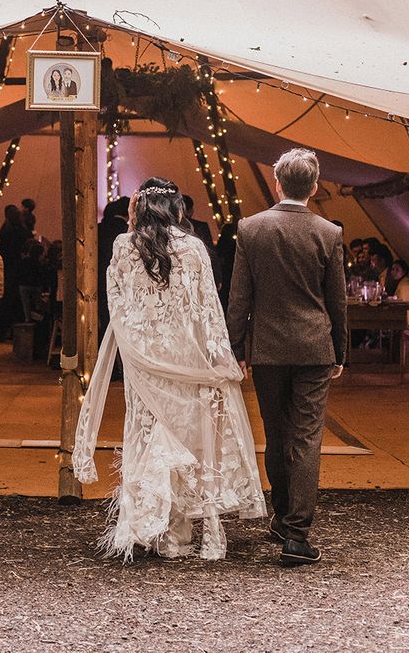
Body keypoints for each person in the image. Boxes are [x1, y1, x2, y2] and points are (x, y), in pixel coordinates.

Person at [73, 177, 266, 562]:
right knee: (186, 441)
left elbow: (118, 306)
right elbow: (208, 310)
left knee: (150, 437)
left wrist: (137, 348)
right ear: (176, 208)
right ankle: (178, 530)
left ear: (139, 208)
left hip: (144, 362)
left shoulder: (123, 246)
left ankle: (161, 531)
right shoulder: (194, 249)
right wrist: (219, 359)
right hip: (185, 359)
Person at [227, 148, 347, 567]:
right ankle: (296, 533)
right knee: (307, 436)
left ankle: (281, 516)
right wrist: (341, 351)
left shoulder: (251, 229)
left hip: (268, 348)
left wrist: (236, 346)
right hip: (315, 346)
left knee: (275, 432)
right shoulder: (329, 233)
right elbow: (337, 301)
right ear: (314, 187)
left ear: (278, 183)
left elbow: (239, 295)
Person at [97, 197, 130, 342]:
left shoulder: (97, 229)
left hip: (100, 279)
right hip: (124, 283)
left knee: (105, 320)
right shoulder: (127, 231)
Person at [0, 204, 29, 335]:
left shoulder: (5, 229)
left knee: (9, 296)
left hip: (8, 266)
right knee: (17, 298)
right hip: (19, 267)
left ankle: (6, 328)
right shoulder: (21, 230)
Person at [183, 194, 221, 289]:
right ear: (191, 210)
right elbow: (210, 252)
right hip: (201, 273)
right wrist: (217, 277)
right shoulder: (201, 226)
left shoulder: (168, 228)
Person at [18, 241, 48, 322]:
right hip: (35, 285)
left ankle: (27, 319)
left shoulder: (24, 261)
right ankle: (39, 318)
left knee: (26, 305)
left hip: (23, 285)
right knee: (38, 303)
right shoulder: (38, 263)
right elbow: (40, 275)